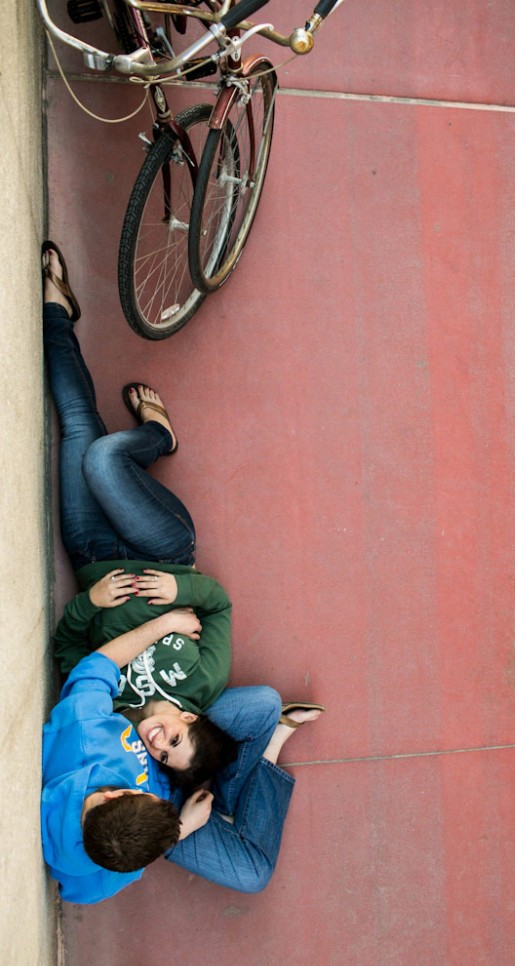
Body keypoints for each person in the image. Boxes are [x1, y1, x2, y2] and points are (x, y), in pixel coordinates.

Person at [40, 241, 325, 903]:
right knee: (256, 721)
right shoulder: (191, 698)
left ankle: (59, 315)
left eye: (152, 749)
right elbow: (214, 610)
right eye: (169, 736)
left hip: (96, 562)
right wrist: (174, 820)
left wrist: (103, 604)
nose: (149, 737)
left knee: (84, 438)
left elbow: (74, 659)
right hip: (169, 803)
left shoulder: (89, 732)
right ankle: (255, 755)